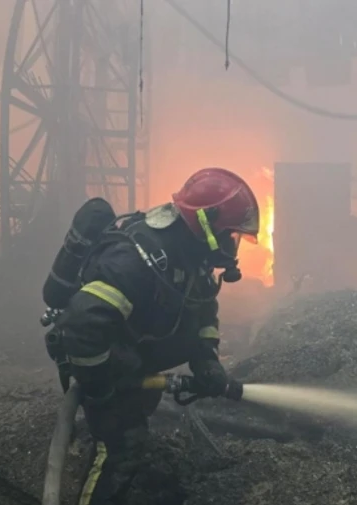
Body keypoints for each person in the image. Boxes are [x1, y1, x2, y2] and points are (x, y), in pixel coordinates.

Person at [54, 167, 260, 505]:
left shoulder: (194, 258)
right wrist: (103, 390)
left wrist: (206, 357)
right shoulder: (136, 261)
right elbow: (82, 327)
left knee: (136, 415)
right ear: (207, 224)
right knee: (124, 445)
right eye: (231, 235)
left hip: (134, 357)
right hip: (100, 362)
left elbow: (204, 310)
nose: (232, 245)